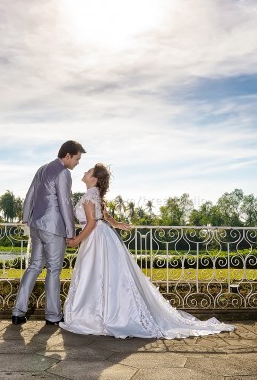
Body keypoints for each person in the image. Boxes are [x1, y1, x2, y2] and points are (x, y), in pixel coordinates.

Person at [60, 164, 235, 339]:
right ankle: (107, 313)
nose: (84, 172)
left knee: (96, 275)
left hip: (95, 237)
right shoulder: (95, 194)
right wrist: (116, 224)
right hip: (102, 236)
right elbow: (103, 215)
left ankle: (94, 316)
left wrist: (75, 240)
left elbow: (91, 223)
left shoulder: (90, 194)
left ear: (94, 179)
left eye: (88, 171)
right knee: (107, 276)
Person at [12, 140, 86, 326]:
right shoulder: (63, 173)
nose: (77, 163)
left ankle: (18, 312)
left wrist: (26, 218)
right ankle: (53, 316)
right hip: (54, 229)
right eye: (77, 158)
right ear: (67, 155)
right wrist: (70, 231)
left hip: (36, 226)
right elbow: (65, 202)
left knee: (34, 267)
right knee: (53, 271)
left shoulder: (42, 168)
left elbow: (30, 194)